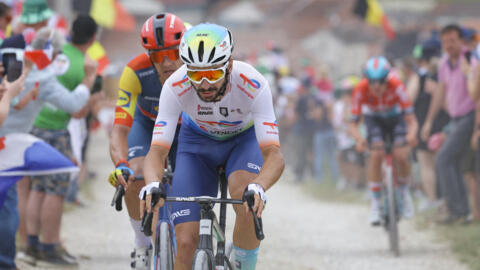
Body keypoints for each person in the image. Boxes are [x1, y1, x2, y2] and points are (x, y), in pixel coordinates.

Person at [140, 23, 285, 270]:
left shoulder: (253, 83)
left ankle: (243, 265)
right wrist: (153, 182)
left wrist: (259, 187)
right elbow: (157, 151)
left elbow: (274, 154)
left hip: (242, 141)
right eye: (196, 75)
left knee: (246, 197)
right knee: (185, 243)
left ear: (228, 65)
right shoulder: (175, 86)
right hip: (196, 145)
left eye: (213, 74)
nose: (205, 84)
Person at [0, 27, 96, 269]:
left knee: (26, 192)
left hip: (24, 135)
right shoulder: (38, 73)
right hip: (22, 139)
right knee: (48, 188)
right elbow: (74, 104)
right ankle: (46, 246)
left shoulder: (21, 64)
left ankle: (27, 244)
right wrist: (89, 79)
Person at [108, 13, 186, 269]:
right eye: (157, 55)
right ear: (148, 55)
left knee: (188, 178)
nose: (166, 62)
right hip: (147, 125)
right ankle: (142, 242)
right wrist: (121, 163)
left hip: (182, 130)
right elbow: (119, 130)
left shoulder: (196, 68)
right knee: (135, 176)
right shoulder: (135, 71)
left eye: (172, 54)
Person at [349, 56, 418, 225]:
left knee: (401, 154)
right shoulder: (360, 89)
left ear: (387, 78)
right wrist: (359, 139)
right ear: (367, 80)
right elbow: (352, 124)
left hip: (396, 119)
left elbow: (411, 119)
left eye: (380, 81)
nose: (377, 86)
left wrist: (412, 134)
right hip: (374, 120)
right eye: (372, 81)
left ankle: (403, 192)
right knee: (376, 154)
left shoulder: (397, 86)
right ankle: (375, 203)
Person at [421, 24, 477, 224]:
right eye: (445, 41)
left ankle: (456, 209)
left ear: (461, 40)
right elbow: (440, 92)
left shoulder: (470, 59)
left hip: (470, 116)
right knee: (453, 162)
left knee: (443, 160)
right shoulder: (444, 63)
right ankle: (460, 209)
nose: (449, 45)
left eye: (453, 40)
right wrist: (428, 121)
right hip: (454, 119)